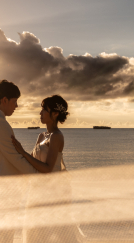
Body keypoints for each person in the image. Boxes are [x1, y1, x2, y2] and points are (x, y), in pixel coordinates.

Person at [12, 95, 82, 243]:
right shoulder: (41, 136)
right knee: (37, 231)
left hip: (55, 191)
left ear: (55, 114)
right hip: (38, 190)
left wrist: (23, 152)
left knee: (60, 232)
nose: (40, 113)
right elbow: (32, 162)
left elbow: (48, 168)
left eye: (44, 109)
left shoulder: (57, 136)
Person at [0, 80, 37, 243]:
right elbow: (15, 157)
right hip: (2, 193)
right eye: (14, 101)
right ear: (4, 100)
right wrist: (39, 175)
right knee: (2, 238)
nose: (16, 106)